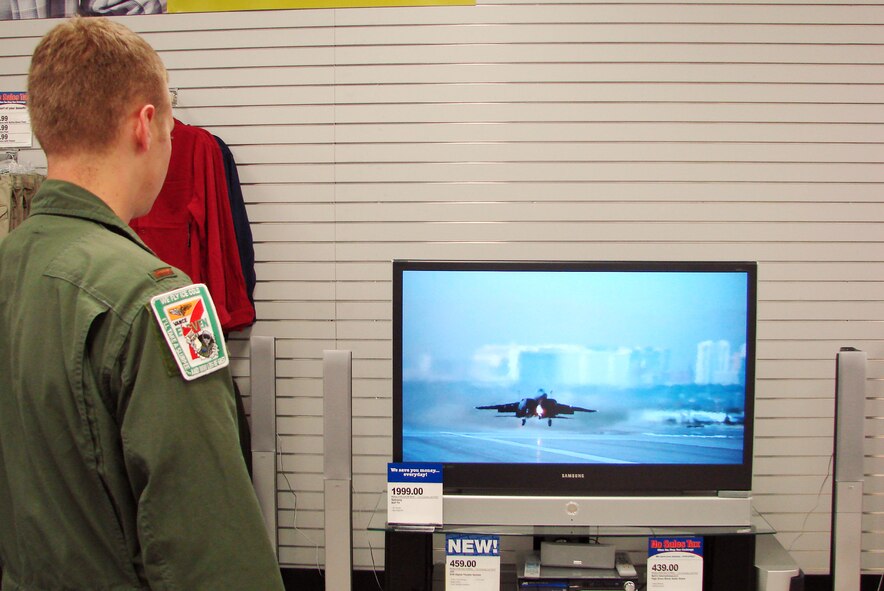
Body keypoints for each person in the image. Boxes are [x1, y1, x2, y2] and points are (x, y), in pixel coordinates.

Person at [0, 17, 285, 590]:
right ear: (145, 124)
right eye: (172, 132)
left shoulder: (13, 266)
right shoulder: (161, 301)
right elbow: (210, 544)